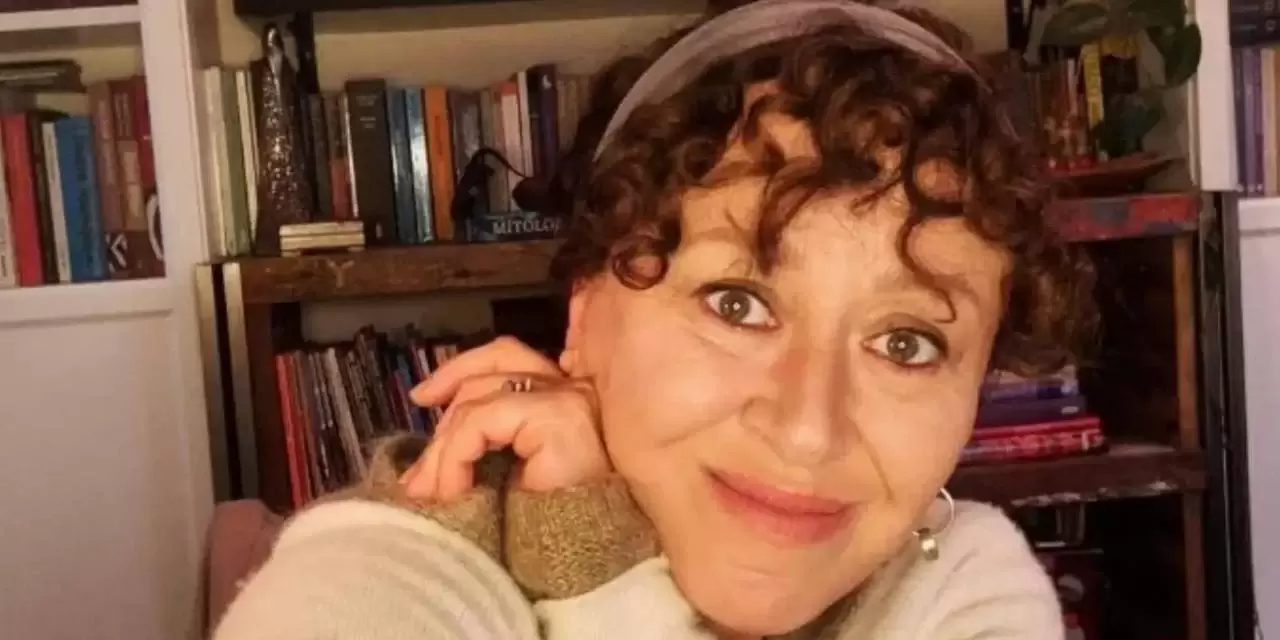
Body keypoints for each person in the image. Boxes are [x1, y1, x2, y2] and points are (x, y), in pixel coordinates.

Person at [213, 0, 1095, 638]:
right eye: (737, 303)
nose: (807, 431)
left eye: (907, 343)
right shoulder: (405, 557)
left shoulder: (966, 586)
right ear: (584, 314)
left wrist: (600, 578)